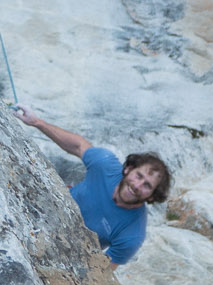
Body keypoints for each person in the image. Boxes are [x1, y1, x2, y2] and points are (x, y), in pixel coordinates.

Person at [14, 106, 170, 266]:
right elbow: (78, 146)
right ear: (128, 169)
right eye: (138, 175)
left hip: (65, 251)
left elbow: (101, 271)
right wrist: (37, 122)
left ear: (151, 196)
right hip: (44, 209)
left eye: (147, 185)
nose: (137, 185)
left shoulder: (132, 234)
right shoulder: (105, 165)